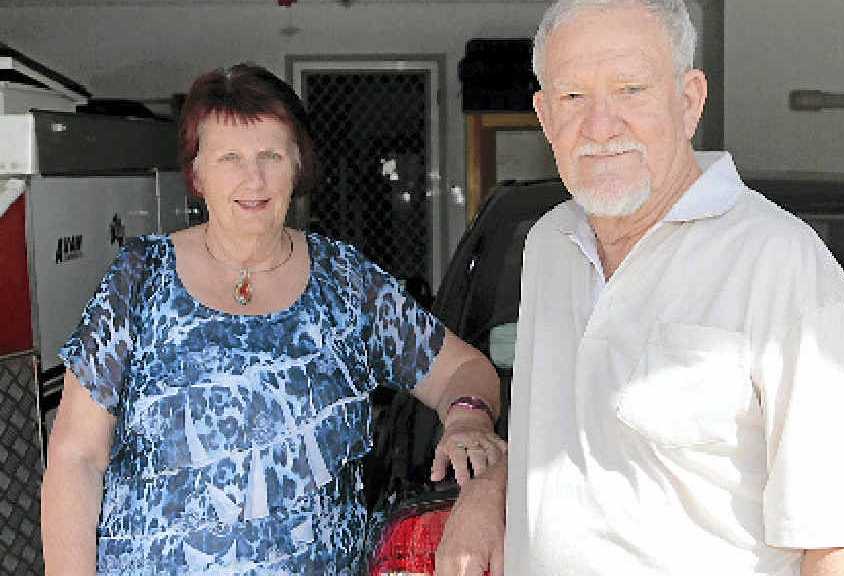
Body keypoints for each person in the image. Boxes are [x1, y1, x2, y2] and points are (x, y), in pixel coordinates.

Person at [41, 63, 505, 576]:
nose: (253, 178)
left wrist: (466, 418)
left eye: (270, 155)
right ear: (197, 174)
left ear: (298, 165)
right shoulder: (140, 279)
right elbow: (76, 459)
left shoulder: (348, 283)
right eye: (229, 157)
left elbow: (465, 369)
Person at [505, 1, 844, 574]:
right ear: (544, 117)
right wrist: (488, 487)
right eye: (573, 97)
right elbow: (567, 445)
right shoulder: (548, 245)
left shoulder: (781, 263)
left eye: (631, 90)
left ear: (689, 101)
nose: (599, 125)